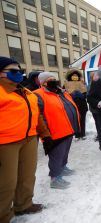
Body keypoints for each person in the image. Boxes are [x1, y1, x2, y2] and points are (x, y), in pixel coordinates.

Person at [0, 57, 52, 223]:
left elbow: (36, 116)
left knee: (27, 176)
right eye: (13, 71)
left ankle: (23, 204)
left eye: (19, 71)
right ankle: (3, 215)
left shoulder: (26, 92)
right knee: (7, 181)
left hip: (29, 139)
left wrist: (46, 135)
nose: (18, 74)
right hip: (6, 143)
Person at [35, 72, 80, 189]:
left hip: (68, 129)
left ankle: (63, 167)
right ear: (43, 82)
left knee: (64, 153)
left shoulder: (60, 92)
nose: (53, 81)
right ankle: (55, 178)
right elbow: (38, 115)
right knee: (56, 155)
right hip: (54, 132)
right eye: (50, 79)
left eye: (54, 78)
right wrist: (45, 132)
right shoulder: (38, 94)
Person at [64, 69, 88, 140]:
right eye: (73, 76)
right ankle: (77, 135)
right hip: (73, 105)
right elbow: (64, 94)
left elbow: (86, 94)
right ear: (70, 76)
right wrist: (72, 95)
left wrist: (82, 95)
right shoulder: (67, 84)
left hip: (82, 105)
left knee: (82, 120)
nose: (75, 77)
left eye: (76, 76)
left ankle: (83, 134)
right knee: (75, 120)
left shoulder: (82, 83)